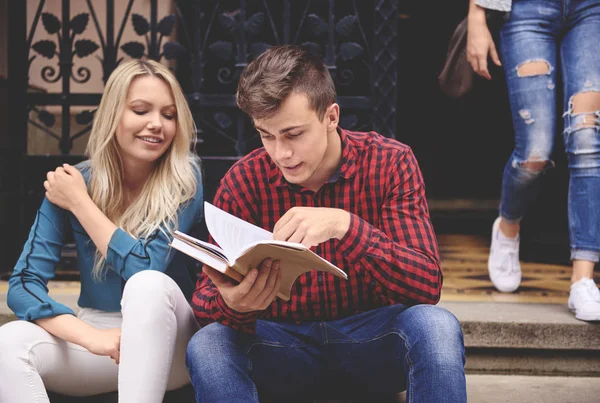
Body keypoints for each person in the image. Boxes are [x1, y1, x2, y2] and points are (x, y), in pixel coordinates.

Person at [185, 45, 466, 403]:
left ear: (331, 116)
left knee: (437, 326)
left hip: (372, 344)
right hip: (281, 347)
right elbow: (204, 298)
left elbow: (426, 285)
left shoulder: (390, 162)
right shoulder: (245, 180)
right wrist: (233, 304)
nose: (280, 153)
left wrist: (347, 227)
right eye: (266, 135)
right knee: (207, 344)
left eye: (293, 134)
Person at [0, 59, 203, 402]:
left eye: (169, 115)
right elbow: (21, 286)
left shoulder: (185, 179)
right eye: (141, 110)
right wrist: (91, 338)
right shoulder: (74, 181)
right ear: (113, 114)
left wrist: (81, 203)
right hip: (101, 336)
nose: (157, 124)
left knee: (147, 285)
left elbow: (145, 266)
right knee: (9, 343)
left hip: (172, 341)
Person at [467, 0, 600, 320]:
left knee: (587, 137)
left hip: (591, 11)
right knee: (535, 152)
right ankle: (509, 225)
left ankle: (583, 278)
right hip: (527, 10)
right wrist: (476, 13)